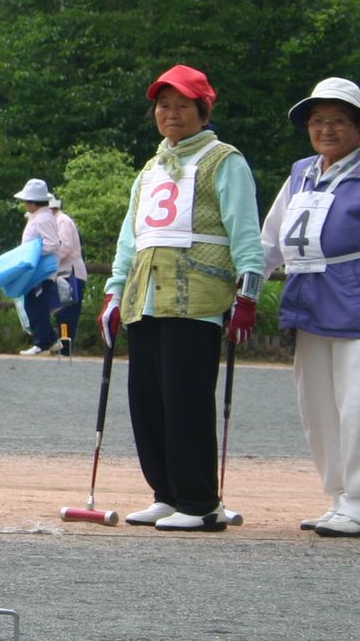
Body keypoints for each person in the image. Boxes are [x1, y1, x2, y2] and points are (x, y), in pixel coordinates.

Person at [99, 64, 264, 531]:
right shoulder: (150, 168)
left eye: (182, 106)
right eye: (163, 106)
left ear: (202, 110)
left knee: (186, 398)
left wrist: (248, 294)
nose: (171, 114)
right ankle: (166, 492)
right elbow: (131, 238)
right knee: (147, 398)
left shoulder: (224, 160)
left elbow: (245, 233)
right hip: (145, 296)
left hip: (197, 296)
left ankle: (199, 501)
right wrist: (113, 293)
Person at [260, 77, 360, 538]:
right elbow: (272, 237)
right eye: (318, 121)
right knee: (319, 407)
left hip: (359, 301)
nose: (326, 130)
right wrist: (246, 283)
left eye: (338, 121)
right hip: (307, 299)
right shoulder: (301, 172)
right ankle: (341, 497)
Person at [13, 178, 62, 355]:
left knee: (35, 305)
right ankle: (49, 339)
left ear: (33, 202)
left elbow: (52, 244)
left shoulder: (43, 219)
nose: (25, 204)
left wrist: (31, 253)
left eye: (26, 201)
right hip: (37, 270)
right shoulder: (40, 217)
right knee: (33, 304)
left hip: (41, 270)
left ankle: (42, 342)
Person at [50, 197, 87, 355]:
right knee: (62, 311)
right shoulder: (55, 222)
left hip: (70, 274)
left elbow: (65, 246)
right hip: (63, 274)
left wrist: (49, 261)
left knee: (66, 312)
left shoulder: (62, 221)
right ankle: (63, 344)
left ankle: (66, 345)